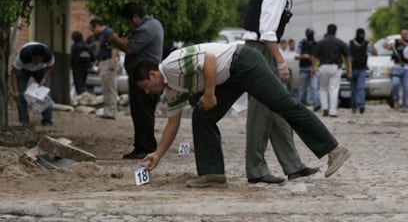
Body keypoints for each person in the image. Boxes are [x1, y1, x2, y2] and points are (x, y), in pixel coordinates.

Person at [136, 43, 351, 188]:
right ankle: (213, 173)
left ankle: (334, 148)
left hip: (244, 62)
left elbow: (208, 60)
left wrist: (210, 93)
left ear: (154, 74)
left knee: (284, 105)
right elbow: (172, 124)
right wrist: (158, 154)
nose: (147, 92)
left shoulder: (171, 65)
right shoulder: (171, 89)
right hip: (230, 77)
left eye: (146, 86)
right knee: (202, 116)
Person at [242, 0, 320, 184]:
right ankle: (255, 169)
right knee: (262, 110)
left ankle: (293, 165)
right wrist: (280, 62)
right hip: (260, 50)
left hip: (260, 49)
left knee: (280, 108)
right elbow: (267, 33)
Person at [108, 2, 164, 160]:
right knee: (141, 112)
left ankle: (145, 147)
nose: (129, 25)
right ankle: (143, 145)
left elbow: (130, 49)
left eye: (128, 22)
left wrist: (114, 38)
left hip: (145, 78)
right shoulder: (153, 25)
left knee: (142, 112)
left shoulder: (146, 28)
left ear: (135, 17)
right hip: (143, 75)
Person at [311, 24, 351, 117]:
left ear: (327, 30)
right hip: (335, 67)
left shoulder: (321, 43)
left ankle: (325, 108)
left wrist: (313, 68)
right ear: (335, 31)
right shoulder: (340, 42)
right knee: (334, 89)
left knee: (322, 88)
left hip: (323, 67)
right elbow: (347, 57)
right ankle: (333, 111)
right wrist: (349, 70)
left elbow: (314, 57)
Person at [11, 42, 55, 126]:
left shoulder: (49, 55)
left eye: (39, 60)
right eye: (35, 60)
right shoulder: (23, 55)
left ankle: (47, 120)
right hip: (23, 71)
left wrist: (44, 79)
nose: (37, 62)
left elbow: (50, 67)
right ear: (31, 55)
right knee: (20, 94)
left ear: (43, 57)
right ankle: (24, 120)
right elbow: (14, 73)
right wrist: (15, 90)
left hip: (41, 71)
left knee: (45, 94)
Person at [89, 19, 119, 119]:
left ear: (97, 26)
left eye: (93, 30)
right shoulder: (102, 35)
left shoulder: (108, 33)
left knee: (111, 88)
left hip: (108, 61)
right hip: (103, 62)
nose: (93, 32)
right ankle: (107, 110)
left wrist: (113, 62)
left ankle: (112, 111)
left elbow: (114, 47)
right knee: (105, 88)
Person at [383, 29, 408, 112]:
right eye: (403, 34)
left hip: (407, 67)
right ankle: (396, 100)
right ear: (401, 34)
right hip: (397, 67)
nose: (405, 35)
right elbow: (387, 46)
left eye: (406, 34)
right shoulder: (395, 42)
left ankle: (404, 105)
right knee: (395, 83)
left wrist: (402, 43)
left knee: (406, 87)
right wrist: (387, 46)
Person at [349, 28, 378, 114]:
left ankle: (361, 105)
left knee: (360, 88)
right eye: (360, 34)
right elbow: (348, 57)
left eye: (363, 34)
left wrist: (371, 43)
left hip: (362, 69)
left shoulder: (366, 44)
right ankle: (354, 107)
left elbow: (375, 53)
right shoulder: (351, 43)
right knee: (353, 89)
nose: (362, 36)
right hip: (353, 69)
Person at [295, 28, 320, 111]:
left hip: (313, 69)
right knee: (302, 88)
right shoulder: (302, 44)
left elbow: (318, 57)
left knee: (314, 88)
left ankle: (316, 104)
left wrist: (313, 61)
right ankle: (298, 105)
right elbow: (296, 56)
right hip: (304, 68)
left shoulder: (316, 44)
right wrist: (304, 56)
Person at [70, 31, 95, 95]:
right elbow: (93, 58)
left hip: (77, 68)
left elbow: (72, 58)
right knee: (83, 83)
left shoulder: (75, 46)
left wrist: (71, 66)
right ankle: (82, 95)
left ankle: (79, 96)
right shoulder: (88, 46)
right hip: (86, 68)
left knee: (78, 84)